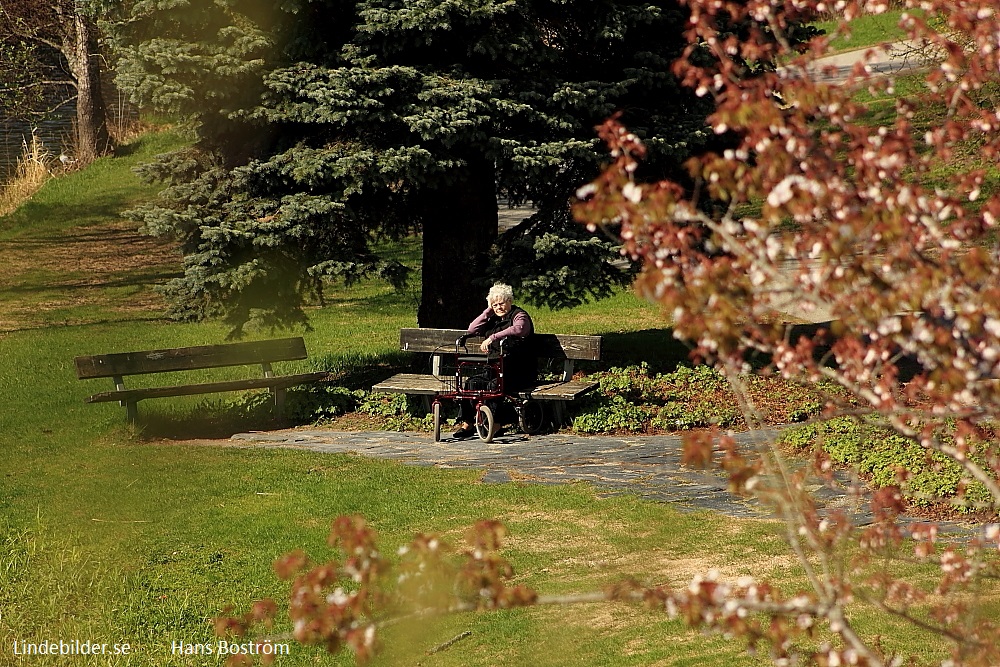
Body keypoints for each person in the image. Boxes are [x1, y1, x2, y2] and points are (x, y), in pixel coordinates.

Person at [453, 283, 537, 439]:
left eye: (501, 303)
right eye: (495, 304)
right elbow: (472, 329)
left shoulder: (519, 316)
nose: (499, 307)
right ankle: (467, 424)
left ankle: (496, 424)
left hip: (518, 369)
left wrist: (492, 337)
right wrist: (488, 311)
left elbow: (518, 329)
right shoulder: (493, 319)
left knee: (494, 385)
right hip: (495, 367)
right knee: (471, 383)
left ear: (509, 301)